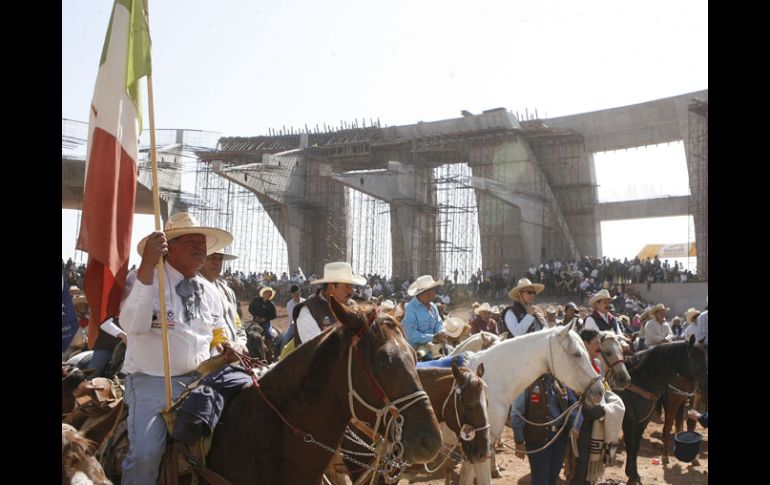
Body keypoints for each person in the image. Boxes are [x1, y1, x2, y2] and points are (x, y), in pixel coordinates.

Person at [119, 212, 233, 485]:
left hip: (200, 382)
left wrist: (226, 348)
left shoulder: (209, 291)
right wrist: (147, 265)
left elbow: (217, 334)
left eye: (202, 242)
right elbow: (131, 324)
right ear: (169, 248)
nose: (200, 247)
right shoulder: (144, 277)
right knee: (147, 454)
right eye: (190, 241)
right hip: (151, 382)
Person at [511, 373, 582, 485]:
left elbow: (574, 407)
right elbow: (517, 413)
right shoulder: (527, 381)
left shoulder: (562, 382)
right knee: (540, 480)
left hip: (560, 439)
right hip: (537, 439)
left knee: (552, 479)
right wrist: (519, 440)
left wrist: (575, 426)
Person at [289, 262, 365, 352]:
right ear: (331, 287)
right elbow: (319, 351)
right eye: (347, 286)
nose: (351, 291)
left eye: (352, 286)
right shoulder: (308, 311)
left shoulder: (353, 307)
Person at [200, 249, 248, 353]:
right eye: (212, 258)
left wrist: (240, 344)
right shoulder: (191, 288)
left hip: (233, 356)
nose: (217, 263)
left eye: (220, 259)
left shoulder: (227, 291)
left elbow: (238, 324)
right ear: (200, 259)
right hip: (206, 359)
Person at [402, 275, 446, 359]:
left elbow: (438, 323)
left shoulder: (433, 307)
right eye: (433, 290)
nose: (434, 293)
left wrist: (440, 333)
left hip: (435, 348)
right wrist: (432, 337)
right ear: (425, 292)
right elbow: (410, 334)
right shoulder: (411, 308)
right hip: (417, 352)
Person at [279, 284, 305, 351]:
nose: (297, 295)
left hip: (305, 324)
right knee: (285, 340)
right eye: (295, 294)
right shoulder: (289, 304)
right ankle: (282, 356)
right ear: (292, 294)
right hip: (294, 325)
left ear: (300, 293)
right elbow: (293, 316)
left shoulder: (305, 301)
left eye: (298, 293)